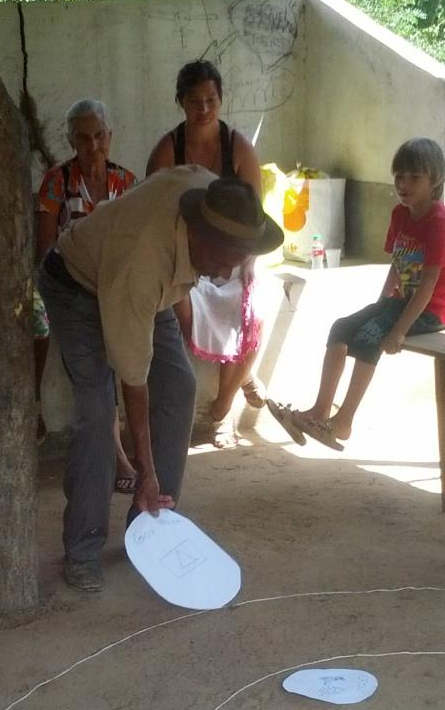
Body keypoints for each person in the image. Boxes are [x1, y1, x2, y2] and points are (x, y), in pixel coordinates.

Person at [38, 169, 282, 592]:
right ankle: (82, 550)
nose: (226, 272)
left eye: (238, 257)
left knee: (181, 386)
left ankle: (148, 528)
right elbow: (134, 380)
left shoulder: (213, 196)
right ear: (198, 236)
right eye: (223, 257)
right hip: (78, 283)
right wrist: (145, 470)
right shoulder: (144, 259)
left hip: (148, 286)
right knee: (97, 412)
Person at [268, 138, 445, 450]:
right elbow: (397, 265)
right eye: (399, 176)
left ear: (435, 180)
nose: (404, 184)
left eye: (414, 177)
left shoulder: (441, 224)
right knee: (342, 327)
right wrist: (381, 304)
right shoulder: (401, 215)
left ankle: (342, 422)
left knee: (368, 336)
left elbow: (427, 286)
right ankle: (319, 411)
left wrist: (397, 331)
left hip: (433, 310)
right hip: (402, 302)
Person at [147, 60, 267, 448]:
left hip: (232, 254)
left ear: (221, 100)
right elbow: (152, 209)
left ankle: (222, 409)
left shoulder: (238, 146)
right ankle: (238, 380)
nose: (203, 109)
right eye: (194, 101)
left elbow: (256, 214)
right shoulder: (169, 148)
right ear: (180, 102)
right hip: (186, 254)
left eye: (211, 100)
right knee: (183, 309)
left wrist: (248, 260)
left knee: (256, 313)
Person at [36, 99, 140, 493]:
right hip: (73, 294)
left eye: (99, 136)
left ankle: (115, 455)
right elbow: (46, 250)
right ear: (71, 141)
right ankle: (116, 458)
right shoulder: (56, 182)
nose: (93, 145)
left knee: (120, 368)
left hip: (116, 291)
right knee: (95, 376)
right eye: (83, 137)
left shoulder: (127, 183)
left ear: (110, 137)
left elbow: (137, 242)